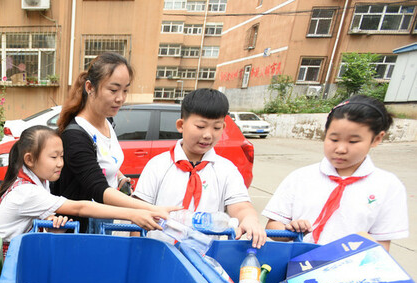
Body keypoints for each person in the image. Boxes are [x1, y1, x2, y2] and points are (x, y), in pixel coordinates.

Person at [0, 125, 172, 283]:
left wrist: (52, 225)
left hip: (22, 254)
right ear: (30, 159)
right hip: (9, 260)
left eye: (62, 156)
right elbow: (80, 208)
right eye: (54, 157)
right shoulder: (25, 191)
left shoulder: (37, 181)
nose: (60, 163)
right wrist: (134, 213)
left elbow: (37, 223)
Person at [263, 95, 408, 250]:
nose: (340, 149)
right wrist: (290, 230)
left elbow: (381, 246)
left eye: (353, 141)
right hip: (299, 262)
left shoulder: (388, 186)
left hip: (352, 265)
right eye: (334, 139)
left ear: (377, 139)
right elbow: (272, 227)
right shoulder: (301, 177)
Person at [132, 88, 266, 248]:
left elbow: (241, 207)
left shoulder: (226, 170)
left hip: (205, 255)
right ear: (181, 125)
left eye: (216, 128)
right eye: (201, 126)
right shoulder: (158, 165)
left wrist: (250, 219)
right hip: (159, 251)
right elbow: (138, 212)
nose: (208, 135)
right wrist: (137, 249)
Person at [54, 52, 168, 233]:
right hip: (80, 228)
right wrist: (149, 209)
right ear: (90, 87)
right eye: (113, 90)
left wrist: (120, 177)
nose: (120, 98)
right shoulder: (75, 136)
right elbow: (99, 189)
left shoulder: (107, 121)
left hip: (103, 218)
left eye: (125, 90)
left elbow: (102, 160)